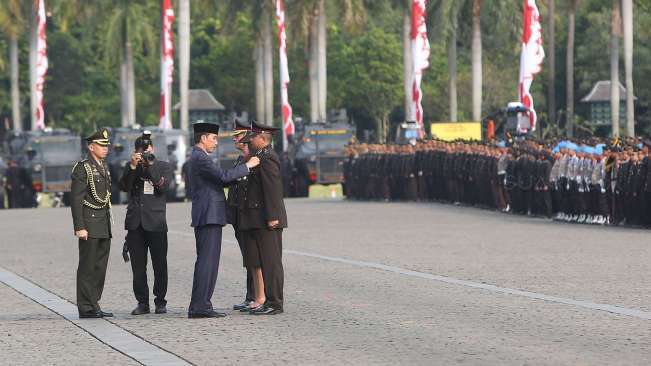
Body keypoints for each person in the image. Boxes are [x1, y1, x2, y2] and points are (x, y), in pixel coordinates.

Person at [187, 122, 260, 319]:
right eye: (214, 138)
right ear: (203, 138)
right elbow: (223, 177)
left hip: (209, 214)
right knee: (207, 263)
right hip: (209, 214)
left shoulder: (198, 156)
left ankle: (199, 304)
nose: (216, 143)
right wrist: (248, 166)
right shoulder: (200, 157)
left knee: (206, 262)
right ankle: (201, 305)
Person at [119, 131, 174, 315]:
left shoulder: (163, 166)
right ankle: (142, 302)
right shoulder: (131, 167)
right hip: (136, 223)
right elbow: (123, 187)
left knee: (160, 264)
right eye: (142, 152)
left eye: (149, 150)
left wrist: (149, 165)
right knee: (138, 267)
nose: (146, 154)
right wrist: (133, 167)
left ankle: (160, 301)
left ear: (153, 149)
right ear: (136, 152)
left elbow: (163, 187)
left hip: (156, 222)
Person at [238, 122, 288, 315]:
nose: (250, 142)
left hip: (267, 218)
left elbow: (272, 188)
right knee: (262, 260)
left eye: (253, 138)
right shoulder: (258, 156)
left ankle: (275, 303)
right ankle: (268, 300)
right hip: (256, 217)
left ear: (262, 139)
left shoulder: (267, 158)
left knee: (271, 262)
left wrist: (273, 216)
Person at [70, 128, 114, 319]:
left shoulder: (103, 166)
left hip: (103, 222)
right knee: (88, 266)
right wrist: (79, 226)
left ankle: (93, 302)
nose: (105, 149)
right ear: (91, 147)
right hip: (89, 223)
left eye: (106, 146)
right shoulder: (83, 167)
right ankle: (86, 306)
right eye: (101, 145)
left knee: (100, 266)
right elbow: (76, 199)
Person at [226, 122, 255, 311]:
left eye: (237, 135)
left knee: (253, 257)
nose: (234, 138)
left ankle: (255, 295)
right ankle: (250, 295)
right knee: (247, 257)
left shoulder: (253, 160)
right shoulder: (240, 159)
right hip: (237, 215)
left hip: (248, 215)